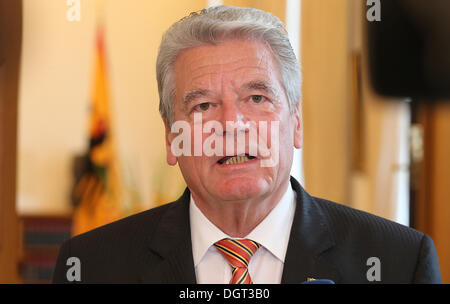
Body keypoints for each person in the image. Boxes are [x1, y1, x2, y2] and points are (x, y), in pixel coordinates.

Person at [53, 5, 441, 284]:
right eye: (203, 105)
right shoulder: (92, 266)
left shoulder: (398, 264)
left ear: (296, 122)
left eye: (257, 99)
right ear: (172, 138)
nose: (232, 125)